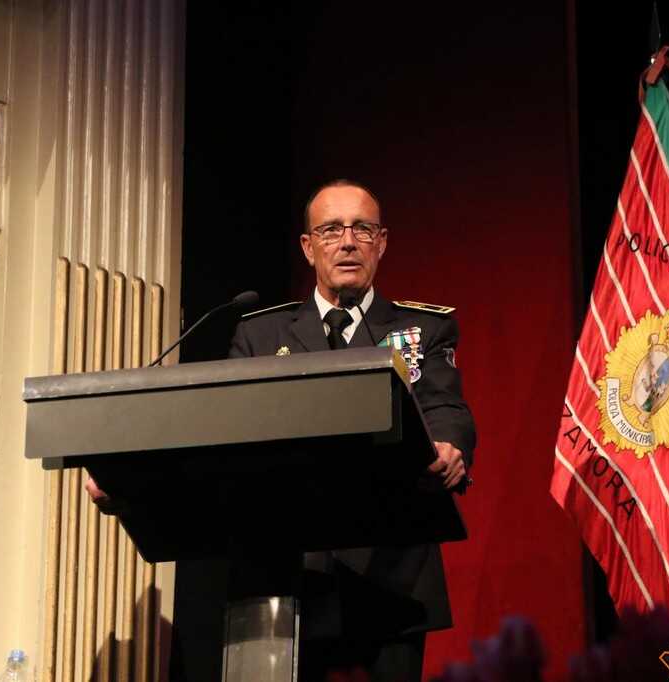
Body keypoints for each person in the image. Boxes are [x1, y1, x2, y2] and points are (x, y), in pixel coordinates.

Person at [89, 179, 476, 681]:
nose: (348, 241)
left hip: (388, 579)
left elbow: (445, 407)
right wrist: (132, 483)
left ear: (381, 242)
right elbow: (216, 436)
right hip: (278, 575)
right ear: (308, 246)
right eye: (331, 229)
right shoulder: (260, 332)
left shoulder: (423, 328)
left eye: (362, 228)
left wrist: (450, 446)